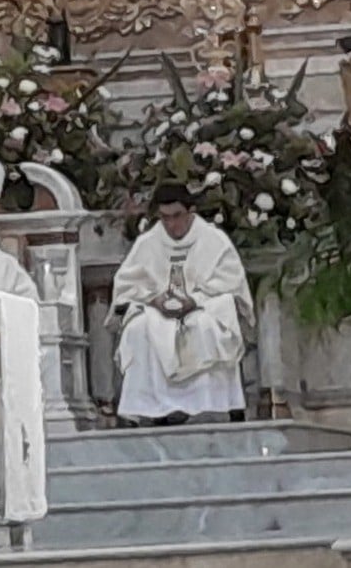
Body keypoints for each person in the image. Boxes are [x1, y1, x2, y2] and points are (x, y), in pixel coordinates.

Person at [109, 182, 254, 426]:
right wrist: (154, 299)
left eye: (177, 216)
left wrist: (195, 301)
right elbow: (126, 287)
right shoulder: (148, 242)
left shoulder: (214, 240)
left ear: (191, 212)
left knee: (206, 324)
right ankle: (152, 407)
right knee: (139, 328)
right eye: (164, 218)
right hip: (159, 309)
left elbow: (231, 283)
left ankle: (208, 403)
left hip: (202, 307)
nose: (171, 224)